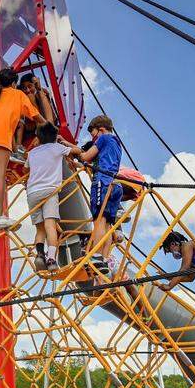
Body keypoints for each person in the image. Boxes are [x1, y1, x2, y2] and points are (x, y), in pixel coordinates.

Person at [0, 67, 46, 230]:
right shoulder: (17, 94)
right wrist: (46, 124)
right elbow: (34, 114)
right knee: (0, 175)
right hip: (1, 136)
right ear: (14, 83)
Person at [72, 115, 123, 271]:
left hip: (102, 182)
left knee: (99, 221)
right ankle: (104, 259)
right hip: (116, 185)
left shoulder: (103, 138)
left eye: (93, 133)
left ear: (100, 129)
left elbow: (85, 156)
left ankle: (96, 256)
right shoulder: (116, 143)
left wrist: (72, 151)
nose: (92, 138)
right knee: (107, 225)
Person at [25, 123, 77, 271]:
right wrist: (63, 141)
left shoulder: (32, 153)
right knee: (50, 225)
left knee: (40, 229)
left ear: (38, 138)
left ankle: (40, 255)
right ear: (54, 137)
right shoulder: (57, 148)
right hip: (50, 191)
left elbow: (25, 168)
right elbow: (78, 151)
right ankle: (52, 259)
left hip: (32, 192)